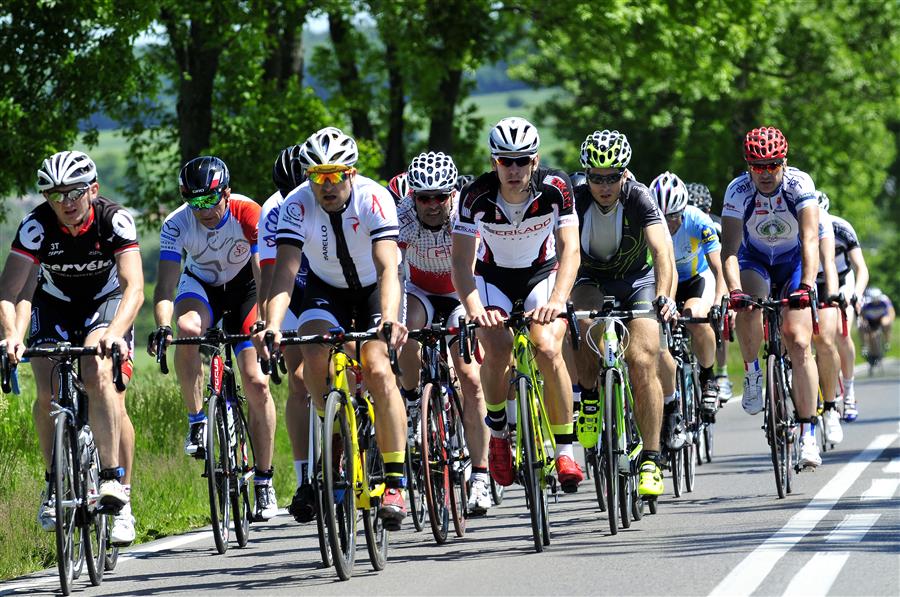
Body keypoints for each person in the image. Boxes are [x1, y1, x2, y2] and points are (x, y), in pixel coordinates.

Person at [254, 127, 410, 529]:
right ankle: (334, 428)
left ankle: (395, 482)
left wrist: (389, 319)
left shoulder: (374, 198)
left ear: (351, 173)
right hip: (326, 290)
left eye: (335, 175)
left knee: (378, 369)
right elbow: (285, 274)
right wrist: (272, 325)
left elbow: (387, 267)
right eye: (317, 175)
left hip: (374, 289)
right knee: (312, 354)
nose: (326, 184)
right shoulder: (296, 205)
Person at [0, 150, 142, 544]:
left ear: (93, 190)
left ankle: (116, 487)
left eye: (75, 192)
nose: (66, 202)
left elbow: (134, 287)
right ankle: (53, 484)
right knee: (46, 389)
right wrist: (12, 335)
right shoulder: (36, 226)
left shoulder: (114, 220)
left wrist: (116, 332)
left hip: (105, 304)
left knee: (98, 374)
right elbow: (10, 290)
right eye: (55, 194)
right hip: (55, 304)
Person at [451, 117, 585, 493]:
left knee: (547, 347)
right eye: (505, 161)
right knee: (497, 349)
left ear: (535, 160)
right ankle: (498, 432)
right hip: (492, 279)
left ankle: (565, 450)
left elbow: (570, 250)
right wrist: (475, 309)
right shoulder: (475, 195)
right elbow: (460, 263)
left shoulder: (556, 188)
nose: (513, 169)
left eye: (522, 161)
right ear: (493, 162)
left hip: (541, 275)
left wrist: (557, 300)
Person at [148, 156, 279, 520]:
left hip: (246, 289)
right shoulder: (176, 223)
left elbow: (262, 273)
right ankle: (197, 421)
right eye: (194, 201)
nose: (203, 209)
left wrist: (264, 320)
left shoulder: (248, 212)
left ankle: (264, 480)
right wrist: (163, 326)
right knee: (189, 330)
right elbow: (165, 286)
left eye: (210, 199)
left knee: (256, 382)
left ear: (226, 193)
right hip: (201, 286)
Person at [569, 130, 677, 497]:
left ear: (624, 174)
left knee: (643, 359)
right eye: (596, 177)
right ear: (586, 175)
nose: (604, 186)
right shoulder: (575, 199)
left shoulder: (639, 196)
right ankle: (589, 398)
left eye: (612, 177)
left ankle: (651, 459)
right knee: (580, 323)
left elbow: (661, 252)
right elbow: (558, 250)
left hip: (636, 280)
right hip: (590, 279)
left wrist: (664, 296)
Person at [721, 126, 823, 468]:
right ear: (748, 165)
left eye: (772, 165)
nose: (765, 173)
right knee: (749, 304)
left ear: (784, 162)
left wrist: (806, 285)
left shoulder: (800, 185)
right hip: (756, 260)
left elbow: (811, 238)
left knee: (798, 340)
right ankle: (752, 372)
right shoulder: (738, 190)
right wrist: (734, 291)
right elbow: (729, 249)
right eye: (757, 166)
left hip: (793, 262)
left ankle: (808, 434)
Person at [396, 151, 491, 515]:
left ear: (452, 193)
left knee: (470, 377)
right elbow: (393, 268)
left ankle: (480, 476)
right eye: (424, 197)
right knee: (408, 332)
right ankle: (412, 402)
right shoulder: (403, 216)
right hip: (419, 289)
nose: (433, 205)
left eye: (440, 196)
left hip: (459, 292)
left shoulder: (465, 213)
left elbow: (479, 266)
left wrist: (476, 310)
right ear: (413, 196)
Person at [260, 145, 317, 522]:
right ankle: (304, 478)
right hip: (295, 287)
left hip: (336, 283)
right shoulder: (274, 210)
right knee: (298, 381)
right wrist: (267, 324)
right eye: (286, 191)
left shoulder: (331, 196)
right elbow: (269, 273)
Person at [651, 172, 726, 416]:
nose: (668, 224)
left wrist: (719, 301)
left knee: (695, 319)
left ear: (683, 210)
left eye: (673, 216)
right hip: (662, 282)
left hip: (696, 279)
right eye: (662, 217)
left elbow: (718, 267)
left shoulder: (698, 220)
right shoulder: (646, 223)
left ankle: (708, 377)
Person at [816, 193, 869, 421]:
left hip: (842, 280)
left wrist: (857, 294)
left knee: (840, 331)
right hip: (814, 281)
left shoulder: (841, 228)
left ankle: (849, 392)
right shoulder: (798, 227)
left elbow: (861, 267)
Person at [687, 182, 733, 403]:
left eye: (702, 209)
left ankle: (721, 373)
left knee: (718, 321)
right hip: (685, 276)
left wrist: (727, 298)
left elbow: (726, 262)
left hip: (710, 274)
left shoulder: (714, 225)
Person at [811, 191, 843, 444]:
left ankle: (831, 407)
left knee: (824, 340)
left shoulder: (822, 219)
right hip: (796, 277)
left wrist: (832, 294)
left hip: (821, 281)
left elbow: (829, 263)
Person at [859, 287, 895, 361]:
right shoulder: (866, 302)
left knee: (885, 323)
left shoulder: (885, 300)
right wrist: (864, 322)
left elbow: (891, 312)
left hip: (881, 318)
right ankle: (865, 346)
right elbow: (861, 315)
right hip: (870, 320)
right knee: (863, 328)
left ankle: (887, 341)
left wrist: (889, 320)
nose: (876, 302)